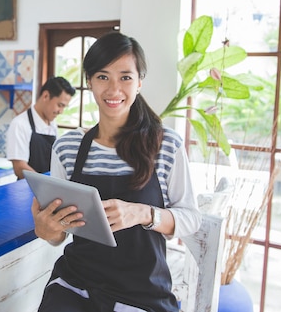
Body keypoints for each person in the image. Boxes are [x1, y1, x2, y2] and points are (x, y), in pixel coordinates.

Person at [31, 32, 201, 312]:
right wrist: (47, 230)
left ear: (139, 82)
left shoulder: (166, 145)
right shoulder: (67, 147)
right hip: (76, 285)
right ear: (89, 82)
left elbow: (192, 218)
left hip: (141, 293)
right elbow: (58, 232)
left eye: (125, 77)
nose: (113, 90)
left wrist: (143, 213)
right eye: (102, 77)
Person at [6, 76, 76, 180]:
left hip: (49, 189)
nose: (61, 111)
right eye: (60, 105)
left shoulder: (52, 124)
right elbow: (19, 167)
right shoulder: (20, 124)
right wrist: (45, 184)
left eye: (64, 107)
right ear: (46, 96)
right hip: (26, 188)